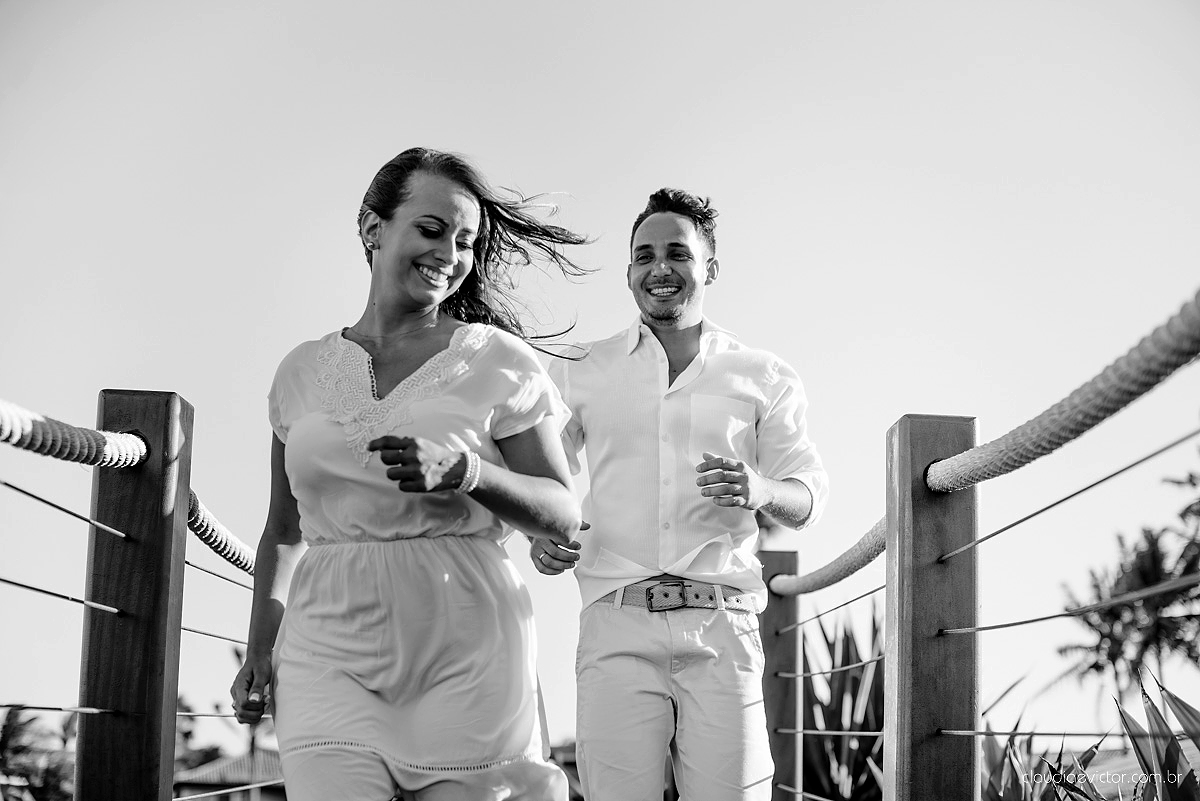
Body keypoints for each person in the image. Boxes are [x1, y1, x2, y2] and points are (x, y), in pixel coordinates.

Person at [231, 147, 588, 801]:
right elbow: (283, 531)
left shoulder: (498, 359)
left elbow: (562, 511)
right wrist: (259, 649)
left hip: (467, 652)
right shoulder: (299, 371)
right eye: (431, 229)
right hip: (326, 653)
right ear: (374, 227)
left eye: (466, 242)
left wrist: (467, 471)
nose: (449, 254)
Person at [530, 188, 829, 801]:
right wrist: (541, 532)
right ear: (629, 273)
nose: (659, 268)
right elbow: (541, 475)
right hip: (615, 624)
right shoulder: (580, 368)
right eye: (644, 256)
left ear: (710, 268)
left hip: (724, 628)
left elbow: (808, 496)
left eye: (678, 253)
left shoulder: (764, 374)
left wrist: (760, 488)